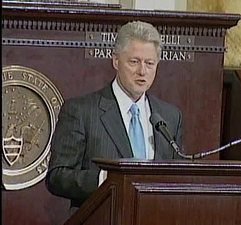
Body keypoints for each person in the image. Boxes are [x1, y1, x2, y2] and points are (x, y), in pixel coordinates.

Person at [45, 20, 183, 210]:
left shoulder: (170, 116)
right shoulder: (81, 111)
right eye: (134, 62)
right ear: (116, 61)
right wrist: (103, 179)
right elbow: (57, 176)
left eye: (150, 63)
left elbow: (178, 176)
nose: (142, 71)